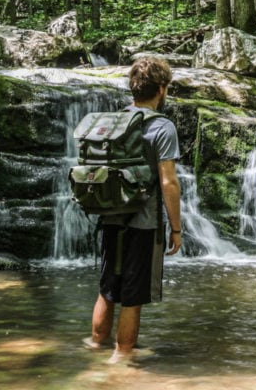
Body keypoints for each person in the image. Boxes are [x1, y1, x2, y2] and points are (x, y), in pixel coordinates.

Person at [87, 56, 182, 360]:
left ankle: (95, 346)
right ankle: (122, 358)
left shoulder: (115, 122)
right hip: (143, 222)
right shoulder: (162, 127)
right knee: (133, 296)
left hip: (110, 214)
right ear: (162, 89)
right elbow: (168, 183)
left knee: (108, 289)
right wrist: (176, 228)